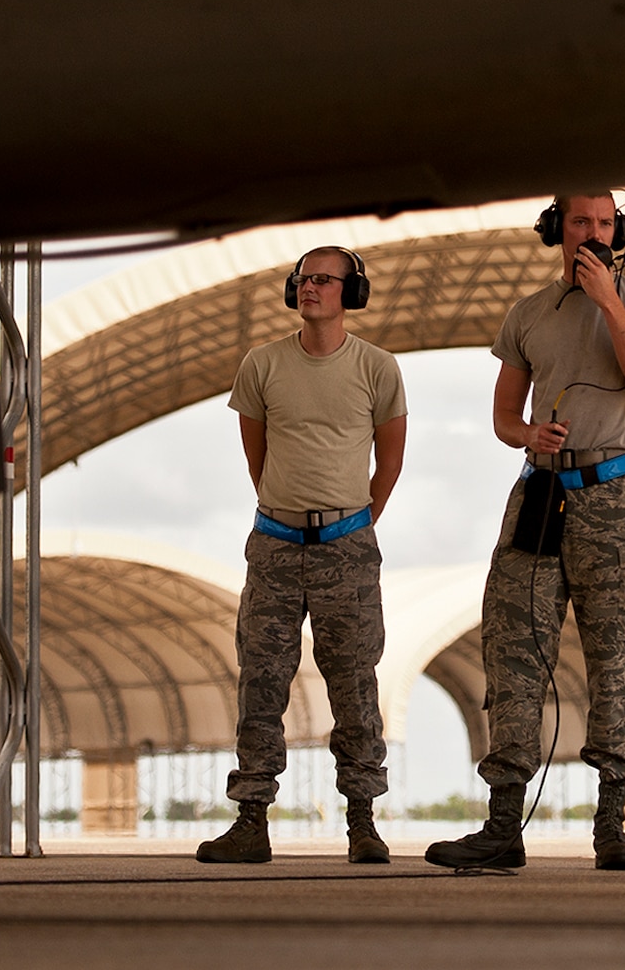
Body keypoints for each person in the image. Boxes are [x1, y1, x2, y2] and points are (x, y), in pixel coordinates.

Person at [426, 192, 625, 872]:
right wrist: (526, 434)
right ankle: (502, 821)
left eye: (605, 223)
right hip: (540, 492)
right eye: (580, 223)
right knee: (510, 648)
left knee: (614, 656)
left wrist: (610, 304)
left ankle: (612, 823)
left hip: (615, 497)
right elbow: (504, 415)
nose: (594, 233)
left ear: (618, 231)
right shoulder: (529, 314)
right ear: (557, 231)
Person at [197, 246, 407, 866]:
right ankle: (251, 820)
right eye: (302, 279)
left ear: (352, 292)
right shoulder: (261, 365)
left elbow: (389, 462)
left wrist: (352, 523)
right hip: (275, 545)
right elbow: (256, 457)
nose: (309, 287)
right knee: (261, 682)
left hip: (348, 547)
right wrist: (292, 512)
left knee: (355, 684)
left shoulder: (378, 367)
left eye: (323, 279)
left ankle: (364, 822)